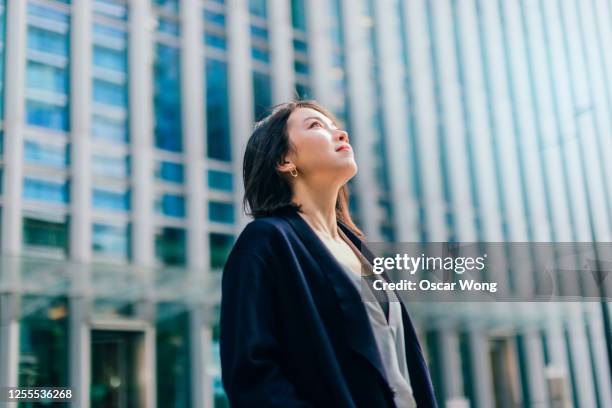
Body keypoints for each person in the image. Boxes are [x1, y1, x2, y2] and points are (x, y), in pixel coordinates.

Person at [219, 100, 438, 407]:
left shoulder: (358, 249)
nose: (341, 134)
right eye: (317, 126)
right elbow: (253, 378)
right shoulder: (265, 243)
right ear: (284, 160)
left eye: (336, 126)